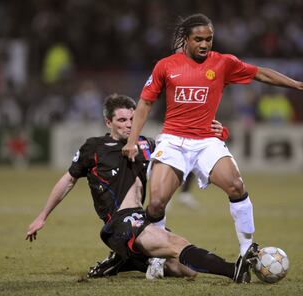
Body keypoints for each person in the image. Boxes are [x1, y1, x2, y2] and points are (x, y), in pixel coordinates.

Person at [122, 13, 303, 282]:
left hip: (206, 140)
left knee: (235, 184)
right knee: (157, 201)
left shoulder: (223, 63)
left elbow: (260, 73)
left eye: (209, 39)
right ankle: (159, 254)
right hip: (173, 139)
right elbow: (145, 103)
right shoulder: (165, 66)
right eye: (199, 39)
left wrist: (298, 85)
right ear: (185, 40)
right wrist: (131, 140)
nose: (205, 44)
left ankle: (247, 251)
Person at [26, 93, 258, 283]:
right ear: (109, 123)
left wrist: (217, 132)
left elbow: (185, 153)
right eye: (122, 121)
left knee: (186, 271)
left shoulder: (147, 144)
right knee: (177, 245)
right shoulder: (95, 147)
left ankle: (125, 260)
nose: (128, 124)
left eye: (132, 119)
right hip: (120, 224)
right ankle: (234, 271)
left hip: (145, 219)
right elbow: (68, 180)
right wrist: (42, 216)